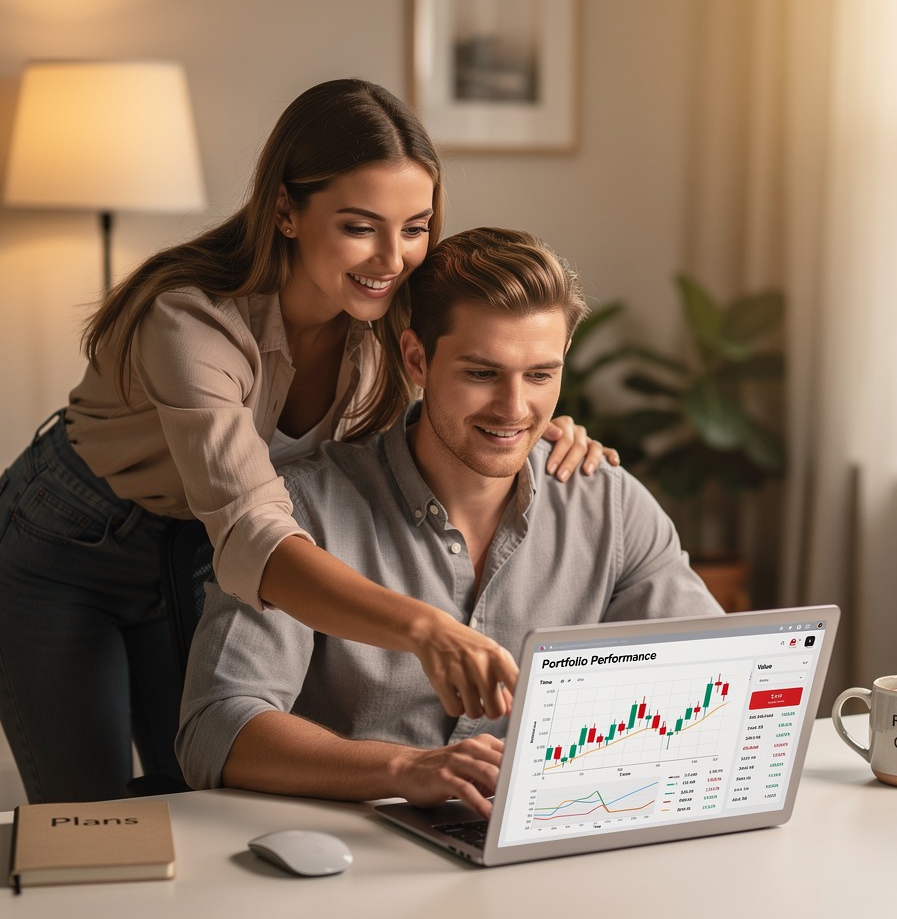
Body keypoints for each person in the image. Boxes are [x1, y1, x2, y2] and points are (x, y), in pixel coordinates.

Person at [0, 81, 609, 804]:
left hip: (204, 554)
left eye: (415, 226)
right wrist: (428, 629)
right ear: (285, 210)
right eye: (361, 227)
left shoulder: (386, 325)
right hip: (72, 548)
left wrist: (539, 425)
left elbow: (463, 398)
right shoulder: (190, 321)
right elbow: (256, 532)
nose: (394, 258)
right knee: (90, 822)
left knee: (206, 795)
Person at [176, 227, 723, 817]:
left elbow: (714, 681)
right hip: (357, 856)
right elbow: (216, 728)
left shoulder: (608, 504)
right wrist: (402, 769)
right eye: (482, 373)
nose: (514, 410)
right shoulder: (306, 511)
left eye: (540, 375)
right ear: (417, 358)